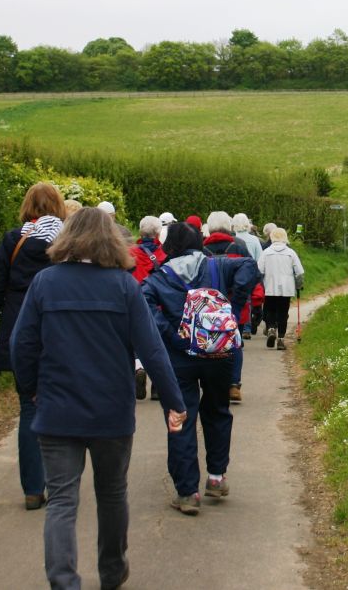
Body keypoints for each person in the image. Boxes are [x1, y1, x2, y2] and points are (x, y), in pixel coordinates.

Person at [12, 207, 187, 590]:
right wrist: (174, 401)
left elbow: (20, 345)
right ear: (110, 241)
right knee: (111, 494)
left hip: (57, 409)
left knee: (60, 500)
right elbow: (152, 350)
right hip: (111, 410)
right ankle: (112, 571)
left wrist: (32, 392)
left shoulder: (44, 283)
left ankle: (63, 581)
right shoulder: (123, 286)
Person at [141, 222, 259, 515]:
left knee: (180, 418)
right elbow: (251, 267)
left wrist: (172, 335)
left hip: (179, 358)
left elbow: (145, 308)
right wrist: (232, 308)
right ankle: (216, 478)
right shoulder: (216, 266)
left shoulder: (158, 278)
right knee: (218, 411)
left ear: (168, 247)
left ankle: (187, 492)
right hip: (219, 354)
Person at [0, 181, 67, 510]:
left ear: (27, 206)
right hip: (57, 329)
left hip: (19, 330)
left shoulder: (13, 240)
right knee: (58, 403)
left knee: (28, 407)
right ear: (59, 207)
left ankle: (33, 488)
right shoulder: (67, 243)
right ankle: (60, 479)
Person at [202, 211, 263, 402]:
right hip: (234, 302)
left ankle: (211, 384)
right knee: (234, 341)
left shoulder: (202, 248)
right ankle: (233, 384)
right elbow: (251, 272)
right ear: (229, 227)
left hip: (209, 303)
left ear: (209, 228)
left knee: (208, 342)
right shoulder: (239, 246)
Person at [130, 215, 168, 400]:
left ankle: (139, 367)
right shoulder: (164, 255)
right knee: (158, 344)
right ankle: (157, 387)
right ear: (158, 233)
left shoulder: (130, 253)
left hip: (135, 301)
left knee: (136, 340)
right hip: (158, 304)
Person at [258, 227, 305, 350]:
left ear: (272, 237)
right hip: (286, 289)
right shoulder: (291, 253)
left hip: (269, 288)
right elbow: (299, 272)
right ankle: (280, 339)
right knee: (283, 313)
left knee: (269, 311)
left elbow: (259, 271)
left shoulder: (266, 252)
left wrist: (260, 284)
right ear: (285, 238)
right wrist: (299, 284)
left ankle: (271, 328)